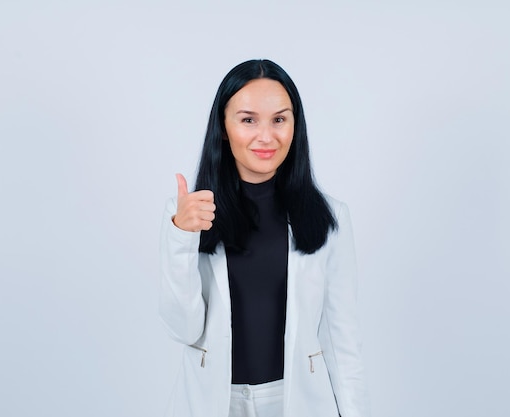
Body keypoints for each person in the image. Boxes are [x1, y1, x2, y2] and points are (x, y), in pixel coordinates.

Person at [158, 59, 369, 417]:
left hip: (297, 401)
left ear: (294, 125)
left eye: (279, 119)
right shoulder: (188, 214)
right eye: (248, 120)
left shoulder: (330, 217)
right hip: (214, 403)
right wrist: (181, 235)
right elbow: (184, 329)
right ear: (223, 127)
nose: (266, 136)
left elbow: (342, 342)